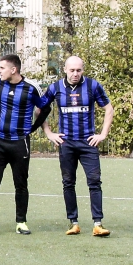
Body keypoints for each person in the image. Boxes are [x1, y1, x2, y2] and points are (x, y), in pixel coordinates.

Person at [43, 55, 113, 237]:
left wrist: (103, 134)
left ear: (83, 70)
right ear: (65, 69)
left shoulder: (93, 86)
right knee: (68, 182)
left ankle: (98, 223)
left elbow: (108, 109)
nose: (75, 74)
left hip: (88, 143)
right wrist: (49, 133)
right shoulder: (55, 88)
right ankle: (73, 222)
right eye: (72, 70)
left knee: (94, 182)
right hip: (66, 143)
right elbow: (40, 109)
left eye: (79, 70)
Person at [0, 53, 51, 236]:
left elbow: (45, 107)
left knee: (20, 184)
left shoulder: (31, 88)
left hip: (20, 143)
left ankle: (21, 222)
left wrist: (33, 128)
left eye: (2, 68)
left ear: (14, 70)